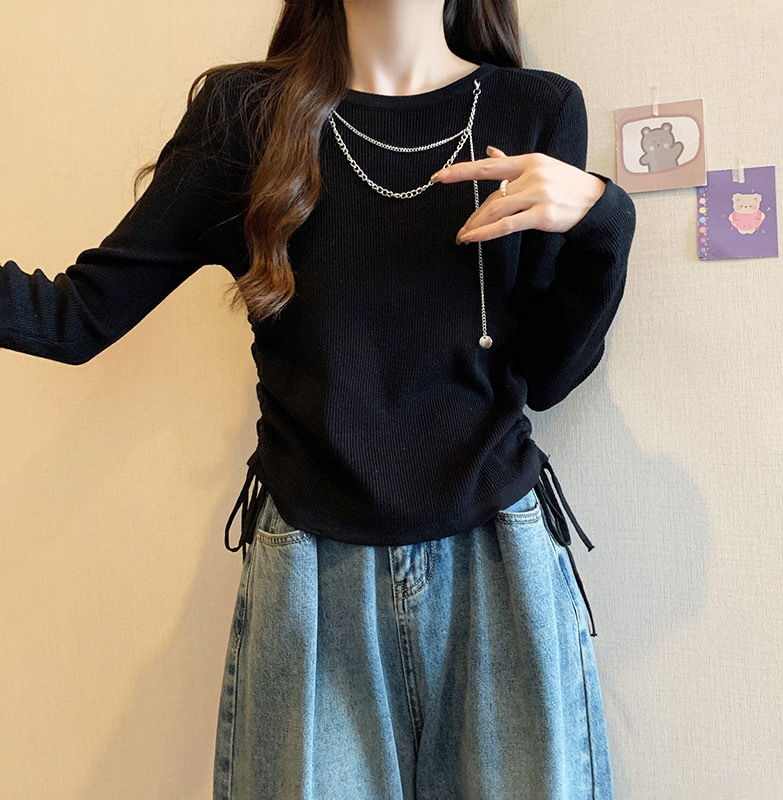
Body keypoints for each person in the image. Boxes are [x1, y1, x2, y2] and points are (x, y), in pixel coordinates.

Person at [1, 1, 636, 797]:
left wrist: (603, 219)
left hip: (498, 564)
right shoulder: (244, 117)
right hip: (310, 566)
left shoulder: (537, 110)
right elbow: (75, 317)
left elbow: (546, 375)